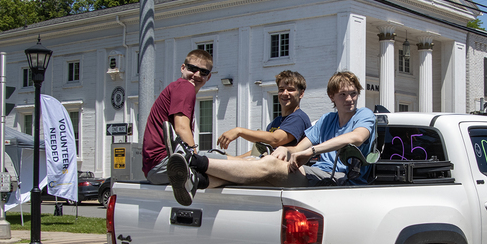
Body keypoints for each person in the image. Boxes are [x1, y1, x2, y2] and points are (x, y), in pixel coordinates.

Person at [166, 71, 377, 206]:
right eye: (343, 94)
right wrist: (286, 150)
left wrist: (311, 151)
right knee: (253, 169)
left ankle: (194, 160)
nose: (349, 99)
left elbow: (356, 138)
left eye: (353, 93)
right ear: (332, 97)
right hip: (317, 175)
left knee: (268, 165)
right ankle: (198, 180)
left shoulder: (364, 115)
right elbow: (297, 148)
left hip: (338, 181)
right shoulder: (326, 120)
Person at [141, 49, 213, 184]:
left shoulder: (177, 88)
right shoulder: (185, 86)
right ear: (183, 68)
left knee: (226, 166)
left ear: (208, 77)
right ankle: (192, 180)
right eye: (192, 68)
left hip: (155, 168)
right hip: (167, 164)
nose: (197, 74)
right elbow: (181, 128)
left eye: (203, 72)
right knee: (233, 170)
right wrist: (196, 161)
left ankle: (192, 184)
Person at [216, 71, 311, 157]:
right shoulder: (276, 122)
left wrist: (239, 131)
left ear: (301, 94)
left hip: (288, 169)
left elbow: (275, 140)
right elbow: (260, 150)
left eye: (290, 89)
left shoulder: (298, 118)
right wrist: (234, 159)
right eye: (281, 89)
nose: (285, 93)